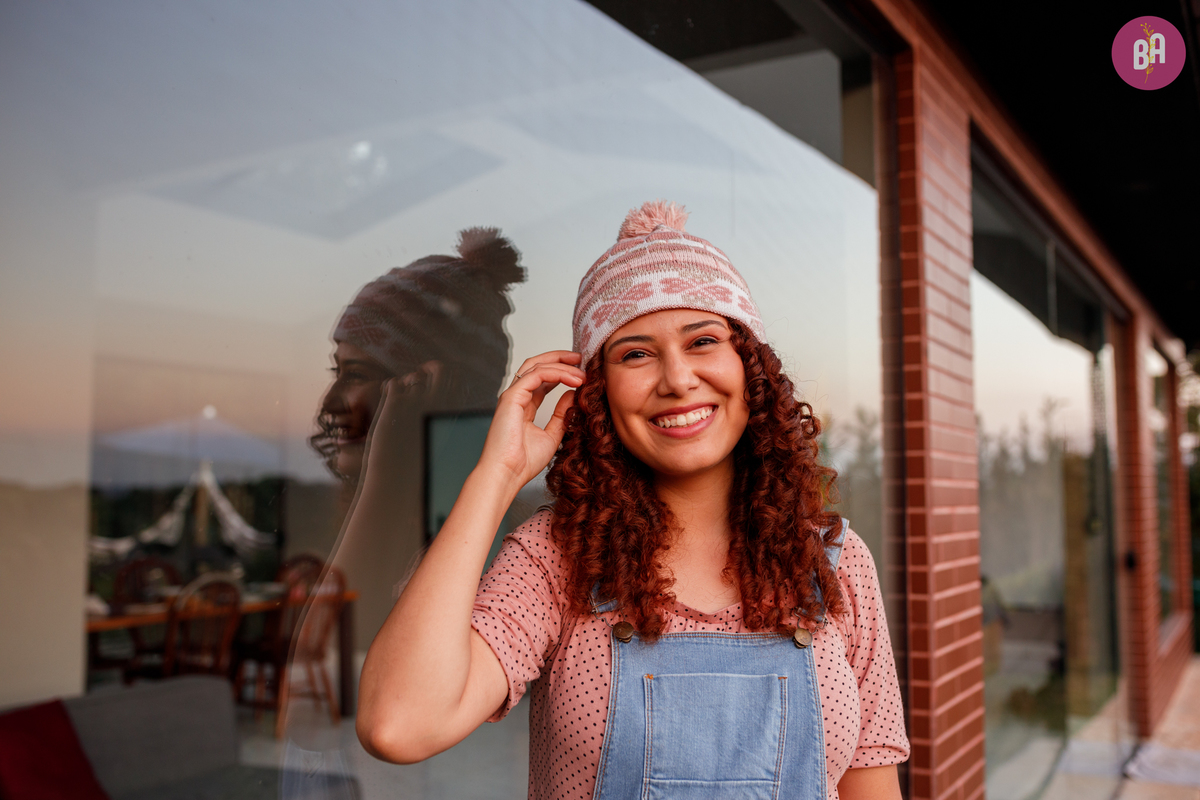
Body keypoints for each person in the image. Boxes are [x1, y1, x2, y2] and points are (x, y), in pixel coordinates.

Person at [354, 201, 909, 799]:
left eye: (703, 341)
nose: (676, 379)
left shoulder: (834, 562)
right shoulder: (557, 557)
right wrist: (498, 474)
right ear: (597, 393)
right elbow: (398, 724)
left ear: (751, 368)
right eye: (636, 353)